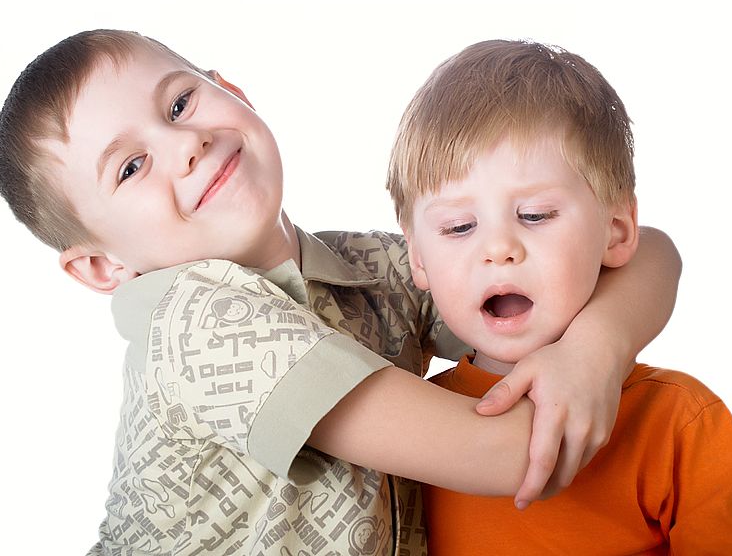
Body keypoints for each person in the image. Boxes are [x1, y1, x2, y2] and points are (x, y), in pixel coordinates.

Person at [0, 30, 681, 555]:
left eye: (179, 104)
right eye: (130, 166)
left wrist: (596, 345)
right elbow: (512, 455)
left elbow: (644, 250)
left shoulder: (366, 269)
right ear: (98, 268)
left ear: (232, 89)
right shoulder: (196, 327)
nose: (186, 144)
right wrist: (595, 355)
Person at [386, 39, 732, 554]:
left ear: (615, 231)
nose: (498, 248)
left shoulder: (681, 422)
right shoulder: (415, 427)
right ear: (417, 259)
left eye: (536, 215)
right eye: (459, 226)